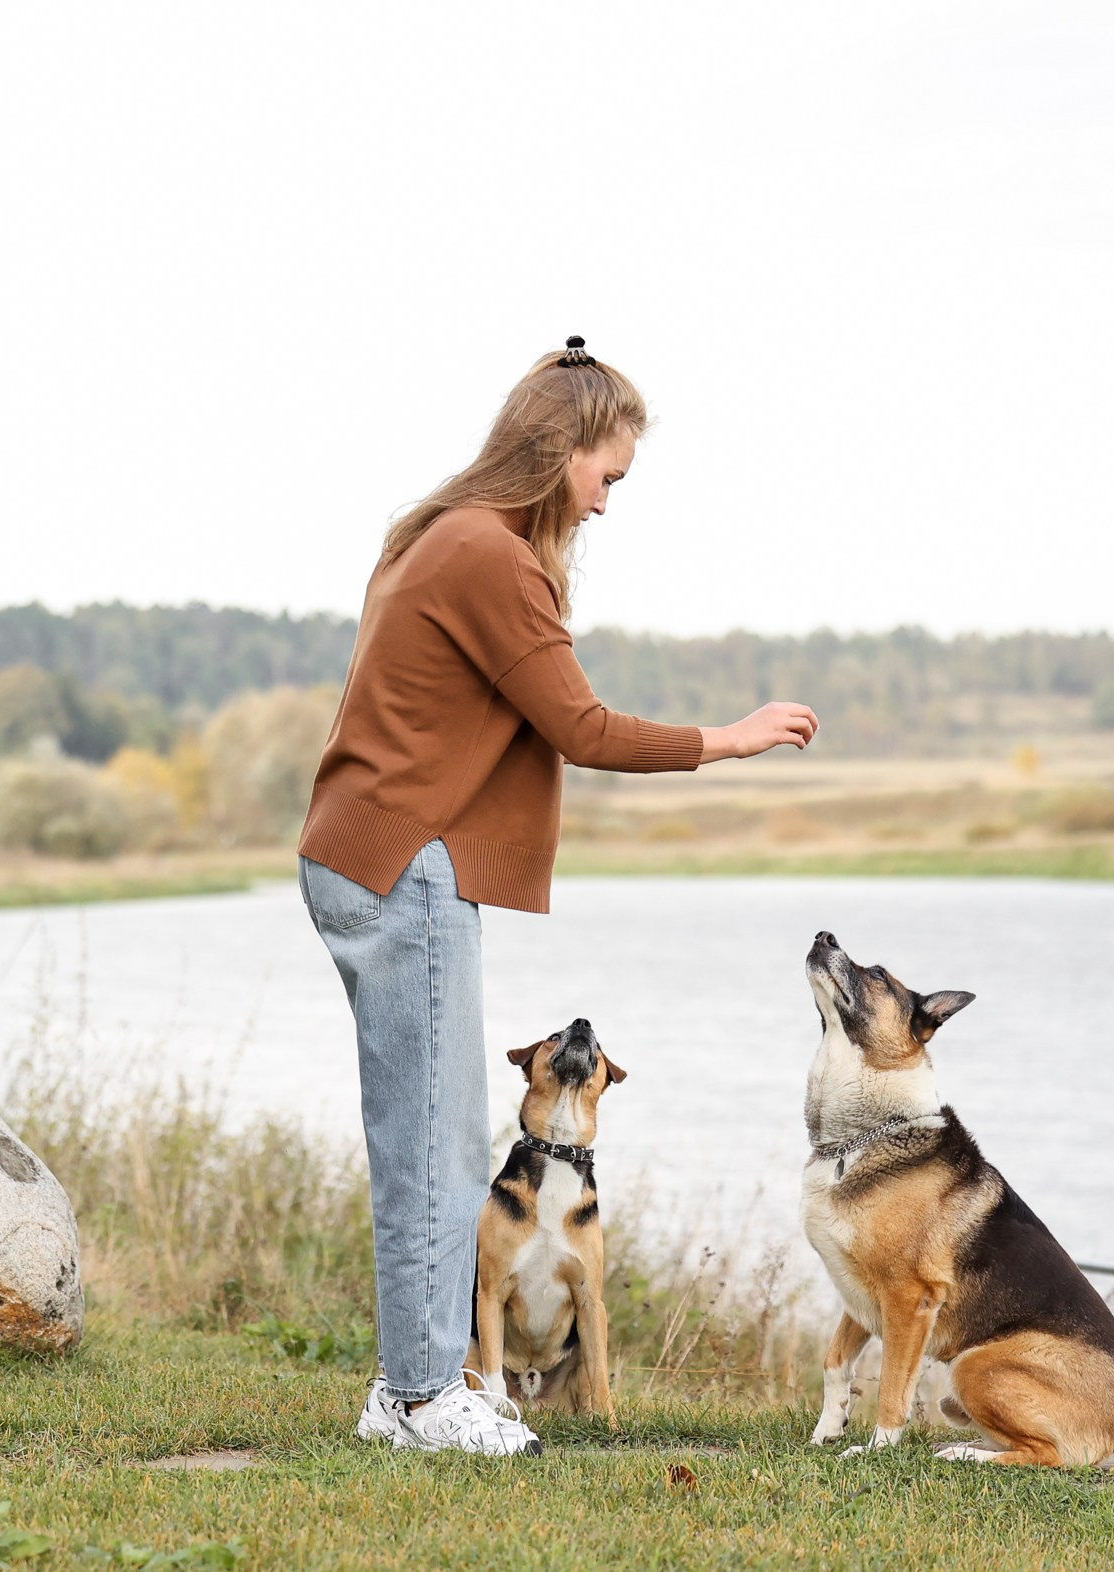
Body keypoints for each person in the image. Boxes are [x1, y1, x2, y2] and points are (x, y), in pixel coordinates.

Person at [297, 338, 820, 1455]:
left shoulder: (440, 534)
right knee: (436, 1151)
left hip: (371, 853)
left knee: (424, 1139)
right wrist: (727, 739)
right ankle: (423, 1396)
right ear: (560, 447)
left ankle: (410, 1386)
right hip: (405, 864)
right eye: (606, 475)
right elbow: (579, 726)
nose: (605, 501)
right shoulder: (489, 554)